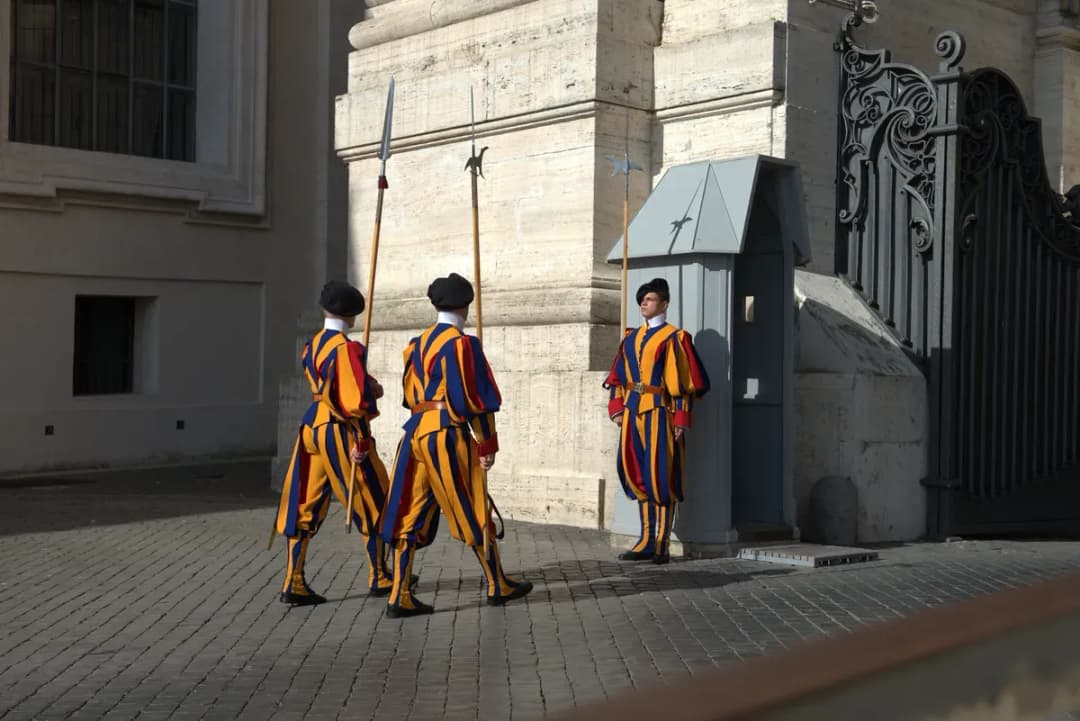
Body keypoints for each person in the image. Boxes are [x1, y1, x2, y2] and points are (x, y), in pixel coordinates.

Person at [379, 272, 533, 618]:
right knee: (472, 504)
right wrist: (487, 443)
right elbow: (475, 398)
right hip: (446, 432)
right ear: (467, 304)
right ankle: (497, 584)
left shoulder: (416, 344)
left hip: (415, 431)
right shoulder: (463, 344)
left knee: (410, 510)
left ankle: (400, 594)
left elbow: (408, 396)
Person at [273, 280, 402, 606]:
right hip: (339, 428)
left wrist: (363, 379)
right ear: (352, 315)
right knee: (374, 497)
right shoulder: (347, 349)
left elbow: (331, 383)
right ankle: (381, 575)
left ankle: (293, 579)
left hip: (311, 425)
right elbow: (353, 401)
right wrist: (361, 437)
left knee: (304, 504)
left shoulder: (313, 344)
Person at [604, 277, 710, 564]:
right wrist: (616, 406)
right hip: (632, 411)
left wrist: (681, 417)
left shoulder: (675, 338)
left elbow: (682, 383)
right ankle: (646, 540)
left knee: (660, 475)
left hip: (660, 412)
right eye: (642, 299)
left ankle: (661, 543)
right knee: (637, 472)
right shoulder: (630, 337)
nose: (643, 303)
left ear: (664, 303)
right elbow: (618, 376)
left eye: (649, 299)